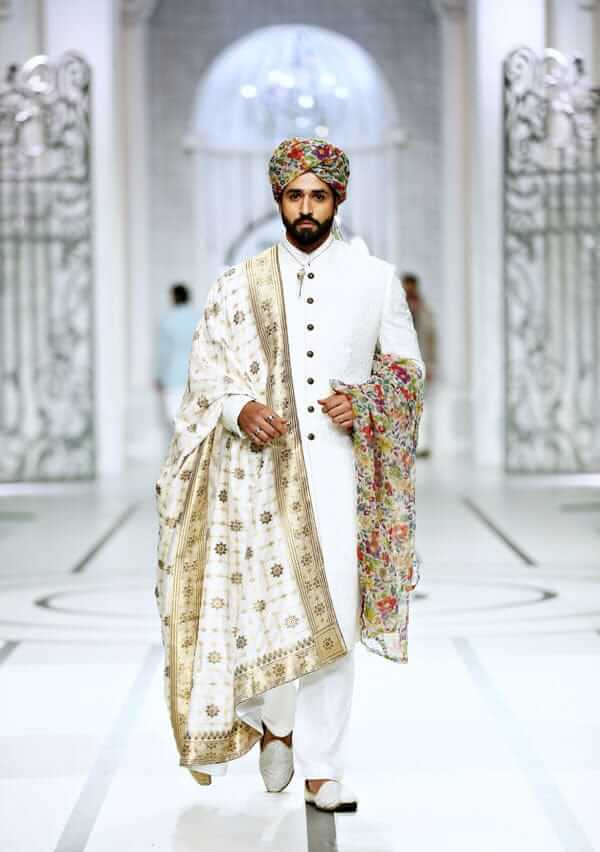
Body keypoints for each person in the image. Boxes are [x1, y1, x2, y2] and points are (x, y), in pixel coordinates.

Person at [155, 138, 425, 814]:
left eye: (319, 196)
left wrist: (364, 402)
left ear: (338, 199)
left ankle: (323, 769)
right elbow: (206, 373)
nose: (307, 208)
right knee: (267, 613)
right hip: (257, 478)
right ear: (279, 199)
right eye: (295, 195)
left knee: (332, 614)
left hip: (339, 479)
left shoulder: (375, 280)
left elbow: (407, 371)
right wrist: (237, 407)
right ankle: (275, 721)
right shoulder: (237, 284)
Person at [402, 273, 437, 456]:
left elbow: (432, 339)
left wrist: (431, 364)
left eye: (411, 286)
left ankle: (422, 444)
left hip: (422, 362)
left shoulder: (425, 311)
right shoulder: (397, 308)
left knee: (424, 404)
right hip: (402, 364)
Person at [156, 283, 197, 426]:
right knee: (194, 422)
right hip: (195, 376)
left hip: (173, 377)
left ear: (173, 297)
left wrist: (159, 377)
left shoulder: (167, 321)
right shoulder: (198, 318)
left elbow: (164, 353)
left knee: (176, 422)